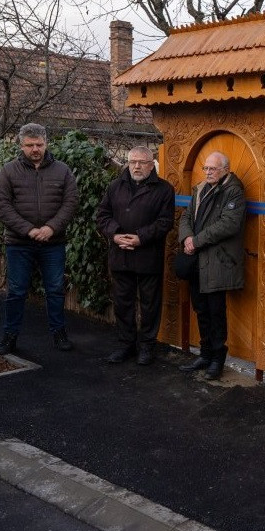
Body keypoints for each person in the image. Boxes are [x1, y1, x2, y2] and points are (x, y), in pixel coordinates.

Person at [0, 123, 79, 355]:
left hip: (53, 242)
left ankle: (59, 333)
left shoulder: (62, 170)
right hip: (19, 243)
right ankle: (9, 336)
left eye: (39, 144)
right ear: (21, 145)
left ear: (46, 143)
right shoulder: (8, 171)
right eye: (30, 145)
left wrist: (51, 227)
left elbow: (71, 202)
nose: (35, 149)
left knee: (55, 289)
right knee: (16, 291)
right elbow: (0, 205)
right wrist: (29, 230)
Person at [96, 146, 175, 366]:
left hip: (148, 255)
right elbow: (102, 216)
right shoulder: (115, 186)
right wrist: (115, 234)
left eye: (142, 162)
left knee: (150, 304)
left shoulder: (164, 189)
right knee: (123, 303)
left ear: (151, 164)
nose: (137, 166)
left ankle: (147, 346)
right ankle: (126, 345)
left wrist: (141, 237)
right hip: (120, 254)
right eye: (132, 162)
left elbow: (165, 222)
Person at [178, 151, 246, 379]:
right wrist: (187, 238)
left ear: (226, 169)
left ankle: (218, 359)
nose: (207, 172)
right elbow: (186, 217)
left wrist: (195, 241)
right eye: (205, 168)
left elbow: (229, 224)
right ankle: (205, 354)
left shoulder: (234, 191)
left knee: (216, 311)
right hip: (197, 259)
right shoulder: (200, 189)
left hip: (217, 260)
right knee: (200, 309)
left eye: (212, 169)